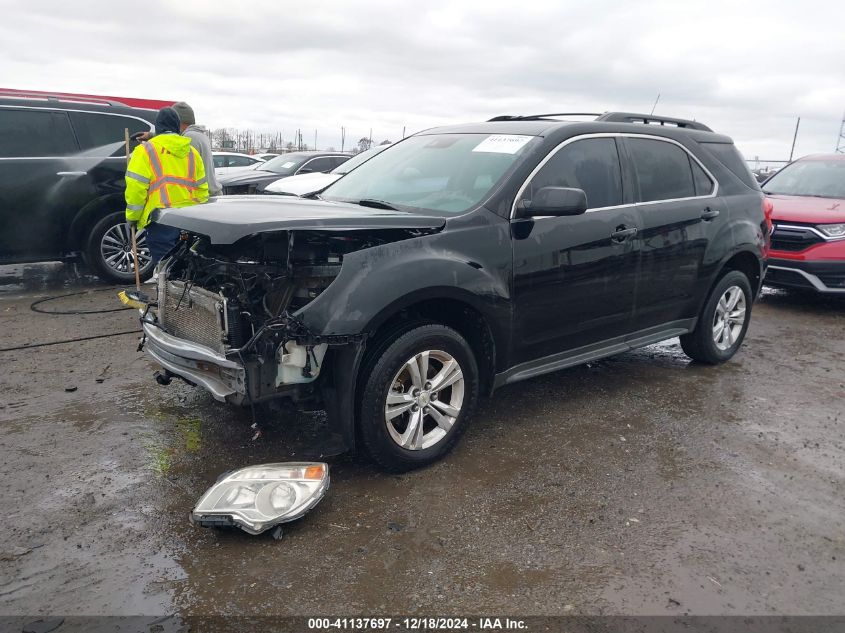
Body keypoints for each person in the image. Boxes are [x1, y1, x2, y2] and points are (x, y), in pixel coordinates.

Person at [125, 107, 209, 266]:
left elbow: (136, 189)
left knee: (165, 269)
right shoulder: (191, 152)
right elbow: (202, 189)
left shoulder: (145, 151)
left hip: (162, 219)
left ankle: (166, 290)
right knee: (187, 269)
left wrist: (132, 217)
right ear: (177, 127)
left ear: (158, 127)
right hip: (190, 220)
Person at [171, 101, 222, 196]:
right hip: (211, 194)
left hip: (203, 196)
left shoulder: (189, 138)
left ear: (177, 121)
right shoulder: (200, 135)